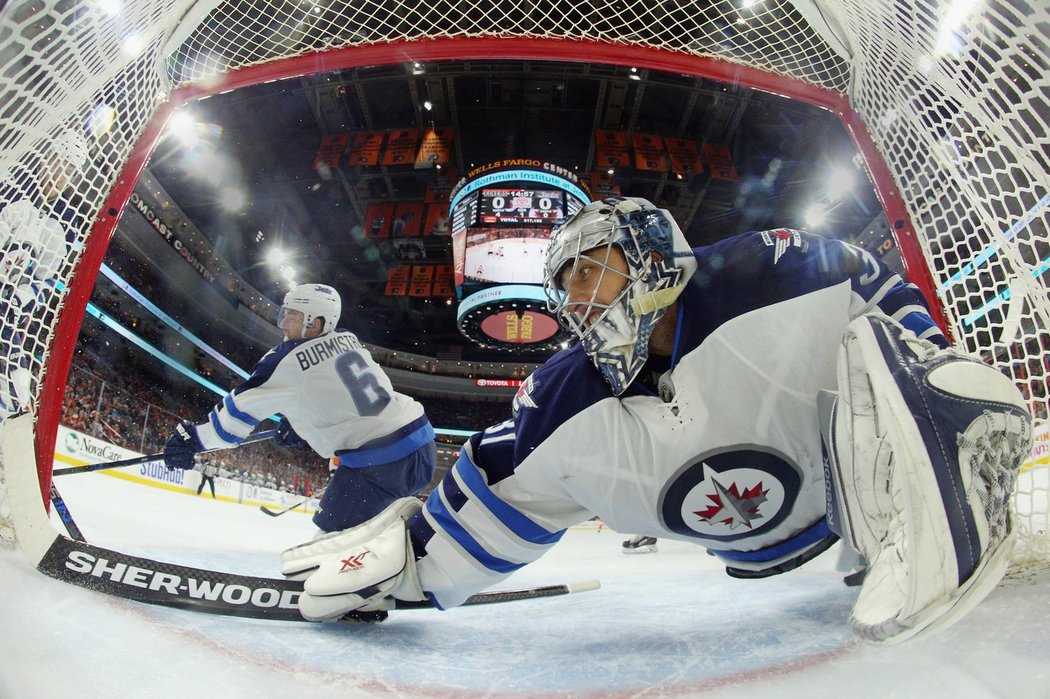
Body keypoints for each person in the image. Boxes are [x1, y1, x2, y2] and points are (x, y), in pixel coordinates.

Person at [278, 198, 1032, 645]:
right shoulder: (562, 396)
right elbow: (501, 486)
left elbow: (879, 297)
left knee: (871, 343)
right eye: (565, 288)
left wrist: (934, 374)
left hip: (848, 499)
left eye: (588, 269)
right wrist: (408, 570)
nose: (575, 300)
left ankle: (949, 476)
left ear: (651, 252)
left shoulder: (761, 272)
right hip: (751, 546)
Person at [162, 283, 436, 533]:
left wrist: (194, 440)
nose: (283, 325)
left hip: (382, 463)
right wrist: (298, 421)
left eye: (291, 317)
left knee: (327, 552)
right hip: (421, 444)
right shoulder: (347, 339)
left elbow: (230, 424)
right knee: (378, 540)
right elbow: (339, 396)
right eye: (284, 315)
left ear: (315, 324)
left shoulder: (284, 361)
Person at [0, 129, 88, 416]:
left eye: (70, 172)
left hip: (7, 316)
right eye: (59, 163)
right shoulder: (12, 189)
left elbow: (48, 280)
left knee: (16, 385)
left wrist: (25, 296)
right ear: (45, 159)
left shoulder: (59, 225)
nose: (61, 176)